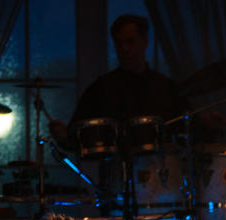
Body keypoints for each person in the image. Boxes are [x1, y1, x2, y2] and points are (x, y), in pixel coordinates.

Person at [49, 14, 188, 146]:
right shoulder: (101, 88)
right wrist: (64, 136)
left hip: (161, 166)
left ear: (145, 42)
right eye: (118, 43)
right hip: (117, 166)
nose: (124, 48)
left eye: (130, 41)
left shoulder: (166, 87)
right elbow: (77, 136)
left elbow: (187, 129)